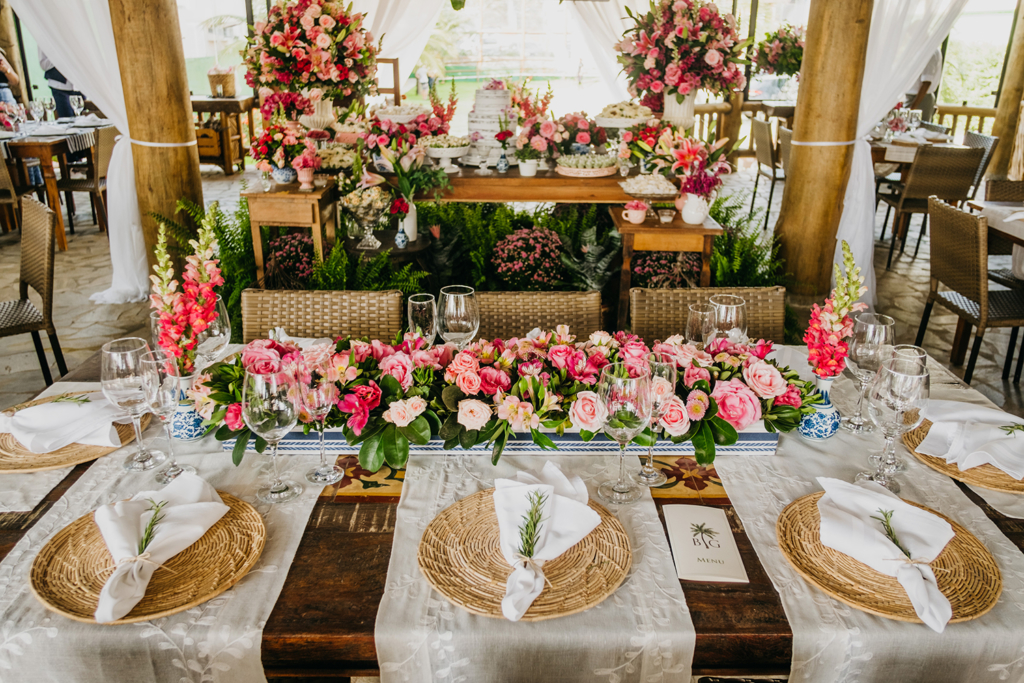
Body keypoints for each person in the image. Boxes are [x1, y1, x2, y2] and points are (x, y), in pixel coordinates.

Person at [39, 49, 85, 119]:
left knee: (86, 121)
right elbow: (43, 65)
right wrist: (59, 54)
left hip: (80, 85)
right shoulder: (44, 39)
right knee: (68, 122)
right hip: (60, 87)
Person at [906, 47, 943, 122]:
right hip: (912, 97)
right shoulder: (922, 50)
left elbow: (927, 82)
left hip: (919, 99)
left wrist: (913, 106)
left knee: (916, 130)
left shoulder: (930, 52)